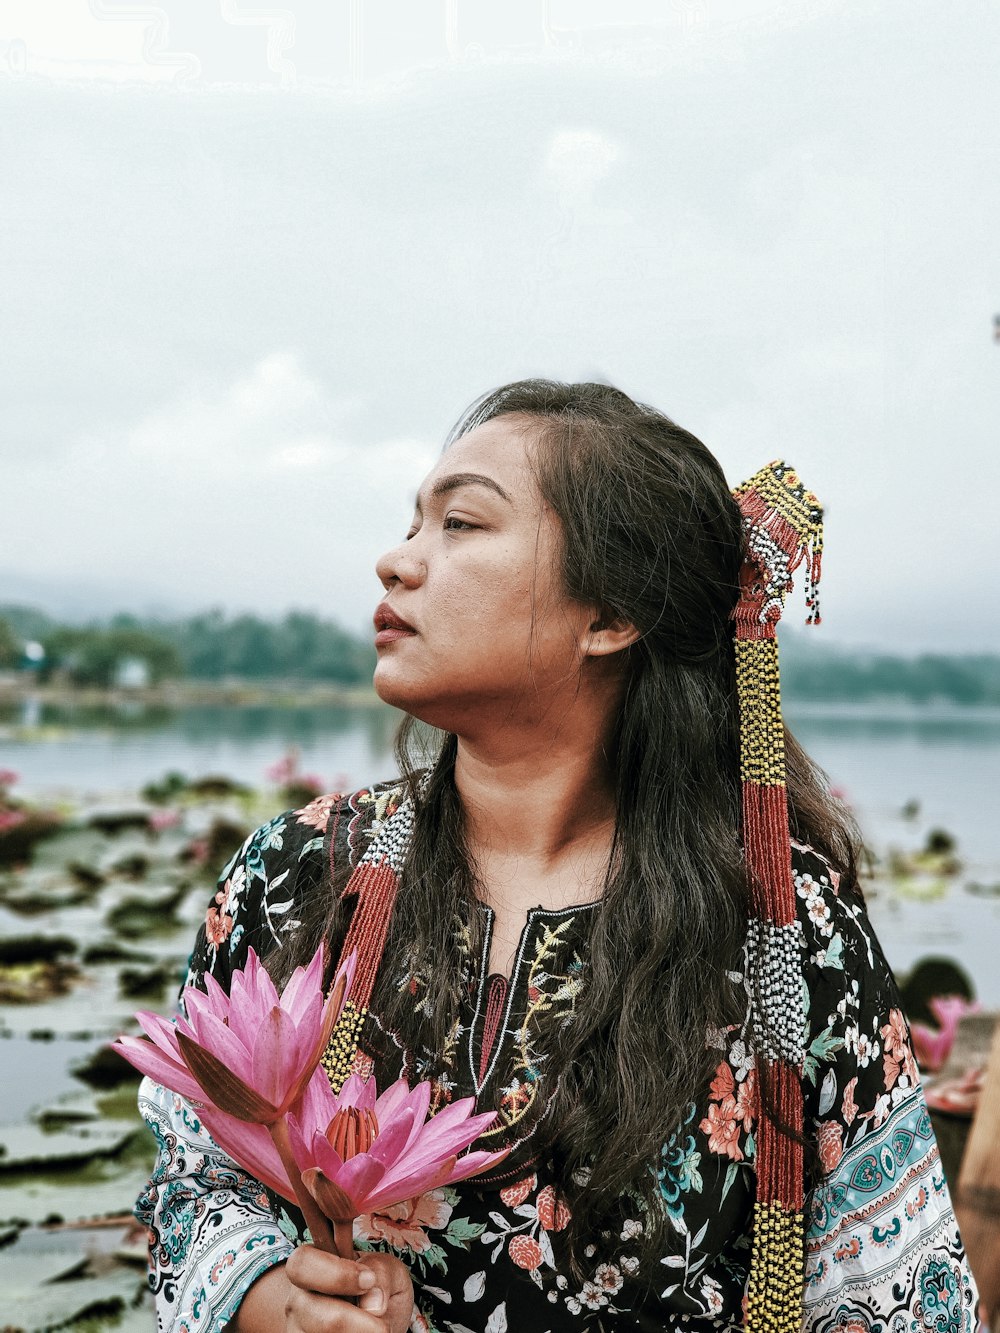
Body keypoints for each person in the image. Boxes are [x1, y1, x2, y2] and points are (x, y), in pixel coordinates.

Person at [135, 380, 980, 1332]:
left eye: (459, 523)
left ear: (610, 616)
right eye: (412, 523)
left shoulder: (788, 928)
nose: (396, 562)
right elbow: (190, 1171)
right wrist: (257, 1293)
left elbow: (900, 1296)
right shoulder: (296, 872)